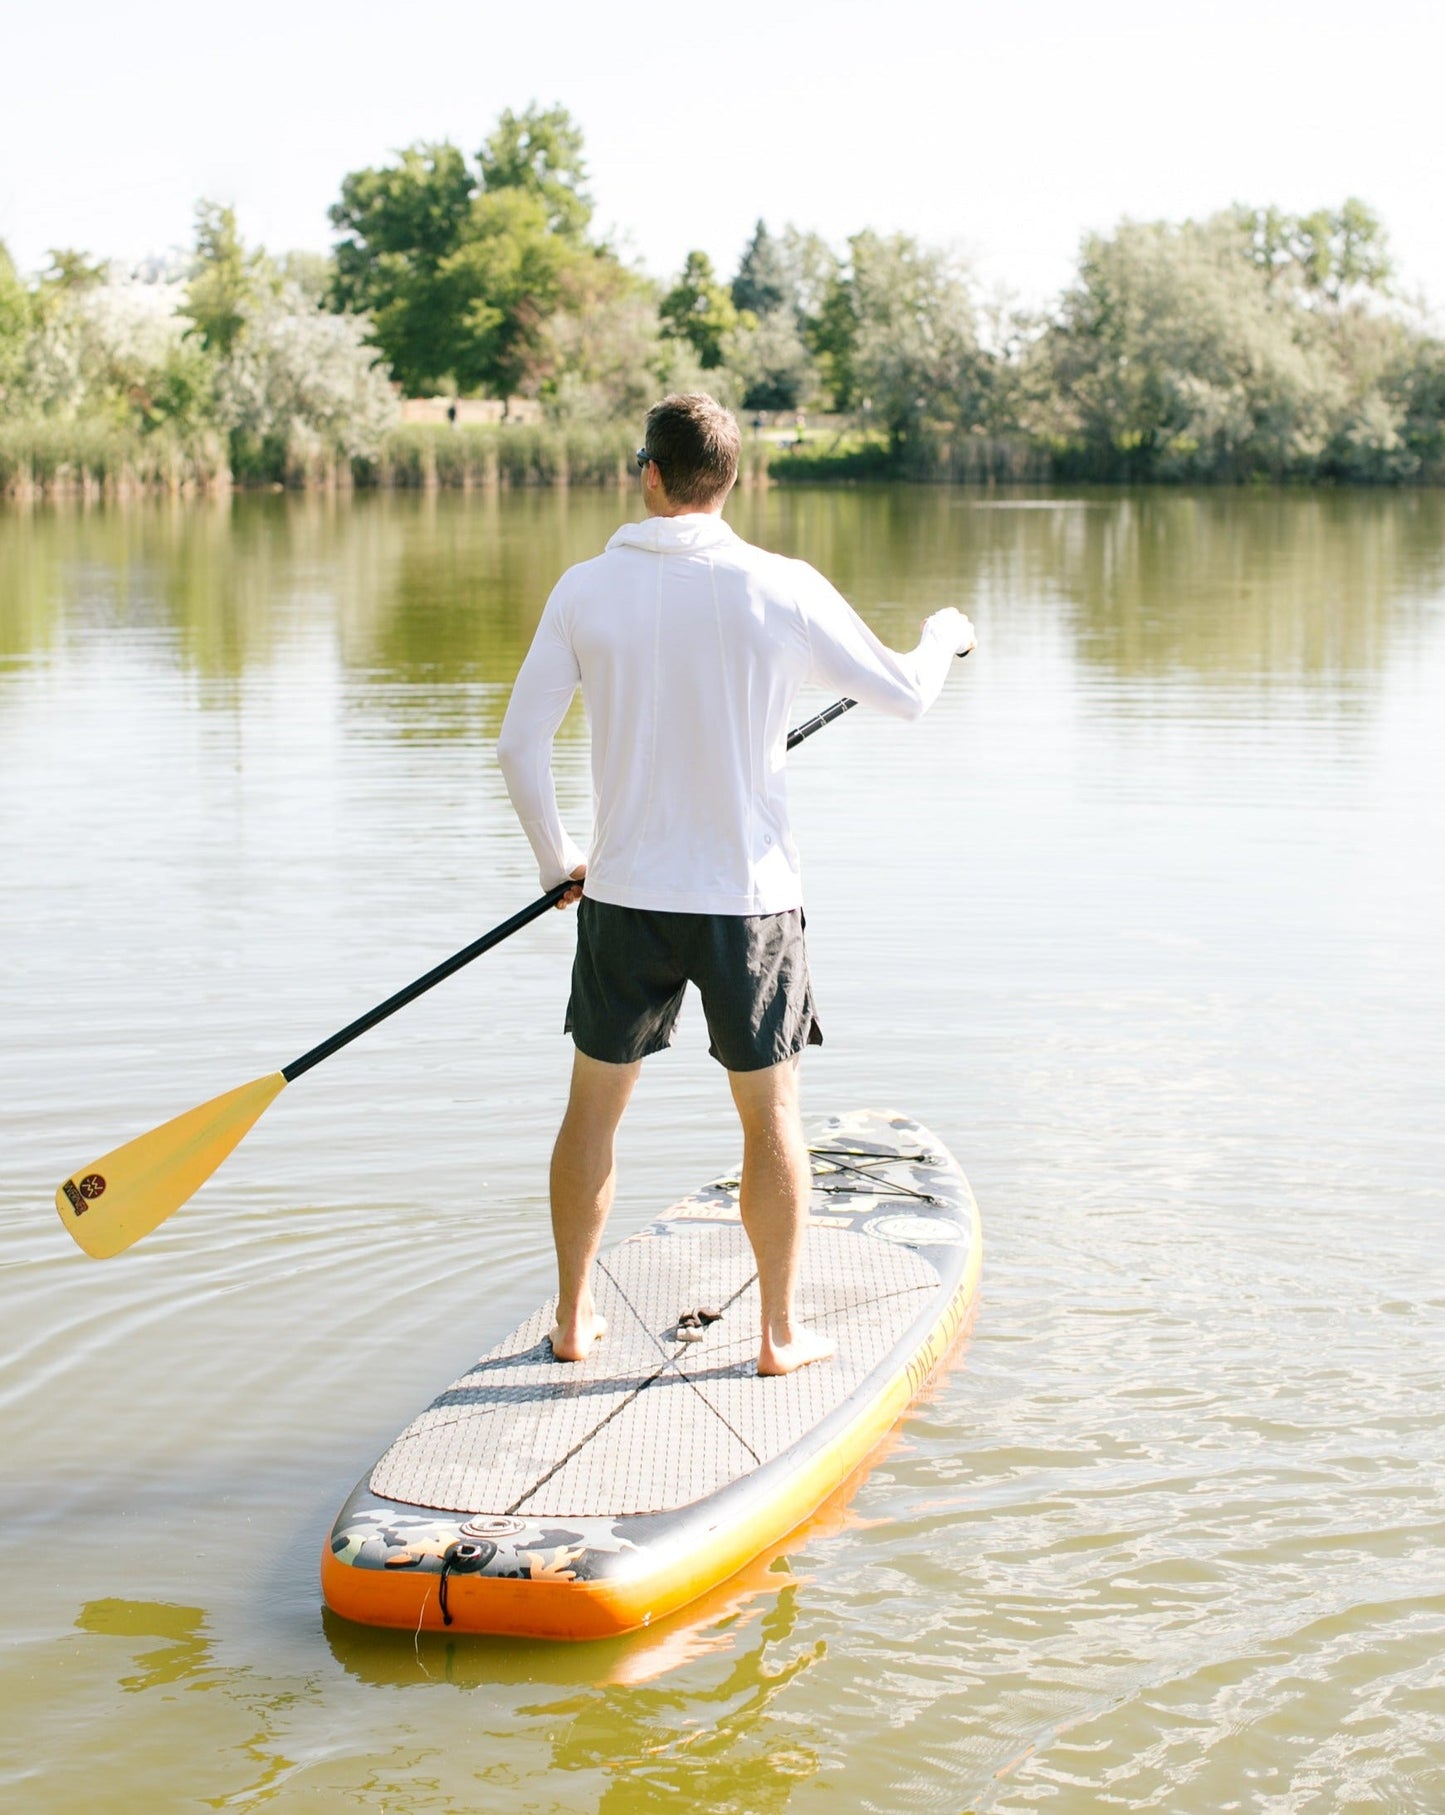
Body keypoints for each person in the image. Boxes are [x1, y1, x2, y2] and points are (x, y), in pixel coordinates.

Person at [497, 393, 974, 1376]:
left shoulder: (585, 589)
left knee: (592, 1111)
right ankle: (776, 1337)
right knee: (771, 1121)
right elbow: (907, 697)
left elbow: (517, 746)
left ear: (648, 473)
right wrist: (941, 633)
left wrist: (557, 863)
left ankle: (574, 1321)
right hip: (748, 904)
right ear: (733, 478)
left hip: (623, 896)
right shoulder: (780, 584)